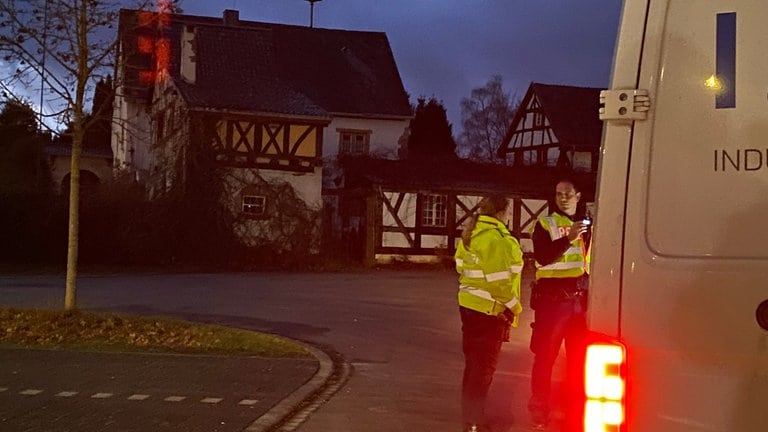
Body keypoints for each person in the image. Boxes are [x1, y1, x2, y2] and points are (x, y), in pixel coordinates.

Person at [455, 194, 524, 432]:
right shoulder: (498, 240)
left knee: (473, 365)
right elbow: (499, 284)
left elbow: (461, 267)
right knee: (483, 369)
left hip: (469, 307)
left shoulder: (472, 234)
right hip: (490, 311)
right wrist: (516, 307)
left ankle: (470, 418)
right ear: (501, 213)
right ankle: (475, 423)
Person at [527, 179, 591, 429]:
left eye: (568, 194)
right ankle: (539, 409)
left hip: (579, 301)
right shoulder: (545, 224)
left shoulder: (587, 225)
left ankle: (574, 409)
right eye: (558, 194)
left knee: (579, 360)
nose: (563, 198)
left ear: (578, 195)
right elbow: (542, 257)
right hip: (552, 303)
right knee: (545, 358)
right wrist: (569, 238)